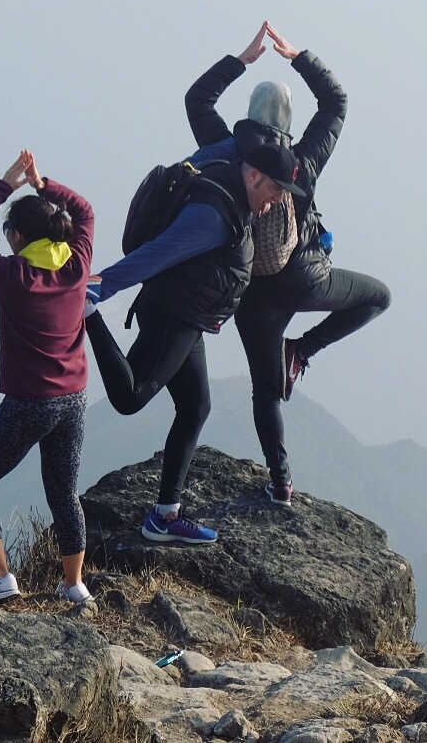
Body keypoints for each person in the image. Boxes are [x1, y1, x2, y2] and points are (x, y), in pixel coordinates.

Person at [186, 22, 391, 506]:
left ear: (249, 116)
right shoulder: (302, 162)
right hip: (304, 281)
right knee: (379, 297)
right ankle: (301, 350)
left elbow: (198, 99)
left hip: (249, 294)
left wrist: (241, 61)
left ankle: (281, 483)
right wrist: (299, 57)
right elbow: (336, 102)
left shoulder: (229, 154)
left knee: (265, 390)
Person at [84, 134, 304, 544]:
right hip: (173, 316)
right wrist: (96, 288)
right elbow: (156, 254)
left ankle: (165, 515)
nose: (277, 201)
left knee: (196, 406)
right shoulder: (213, 217)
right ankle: (88, 316)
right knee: (130, 397)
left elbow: (215, 147)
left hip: (188, 316)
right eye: (276, 189)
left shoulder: (229, 177)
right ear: (254, 176)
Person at [0, 149, 95, 604]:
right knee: (64, 493)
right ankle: (74, 585)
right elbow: (86, 212)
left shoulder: (13, 274)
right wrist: (43, 184)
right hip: (75, 399)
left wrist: (5, 185)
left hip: (30, 401)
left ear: (16, 237)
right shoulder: (77, 264)